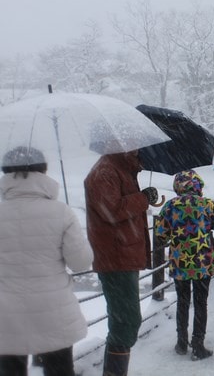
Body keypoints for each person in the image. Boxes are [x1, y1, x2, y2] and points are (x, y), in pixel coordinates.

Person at [0, 147, 93, 376]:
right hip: (54, 313)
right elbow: (81, 263)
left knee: (10, 371)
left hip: (7, 315)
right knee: (59, 370)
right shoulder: (61, 212)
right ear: (43, 171)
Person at [84, 150, 159, 376]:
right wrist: (144, 198)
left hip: (123, 255)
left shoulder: (121, 169)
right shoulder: (105, 171)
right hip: (116, 256)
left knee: (126, 322)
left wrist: (143, 196)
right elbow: (112, 210)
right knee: (125, 323)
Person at [155, 170, 214, 361]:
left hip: (180, 262)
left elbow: (160, 234)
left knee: (183, 301)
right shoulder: (208, 204)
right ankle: (198, 344)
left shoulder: (170, 206)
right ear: (197, 184)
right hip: (203, 263)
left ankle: (181, 342)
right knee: (201, 303)